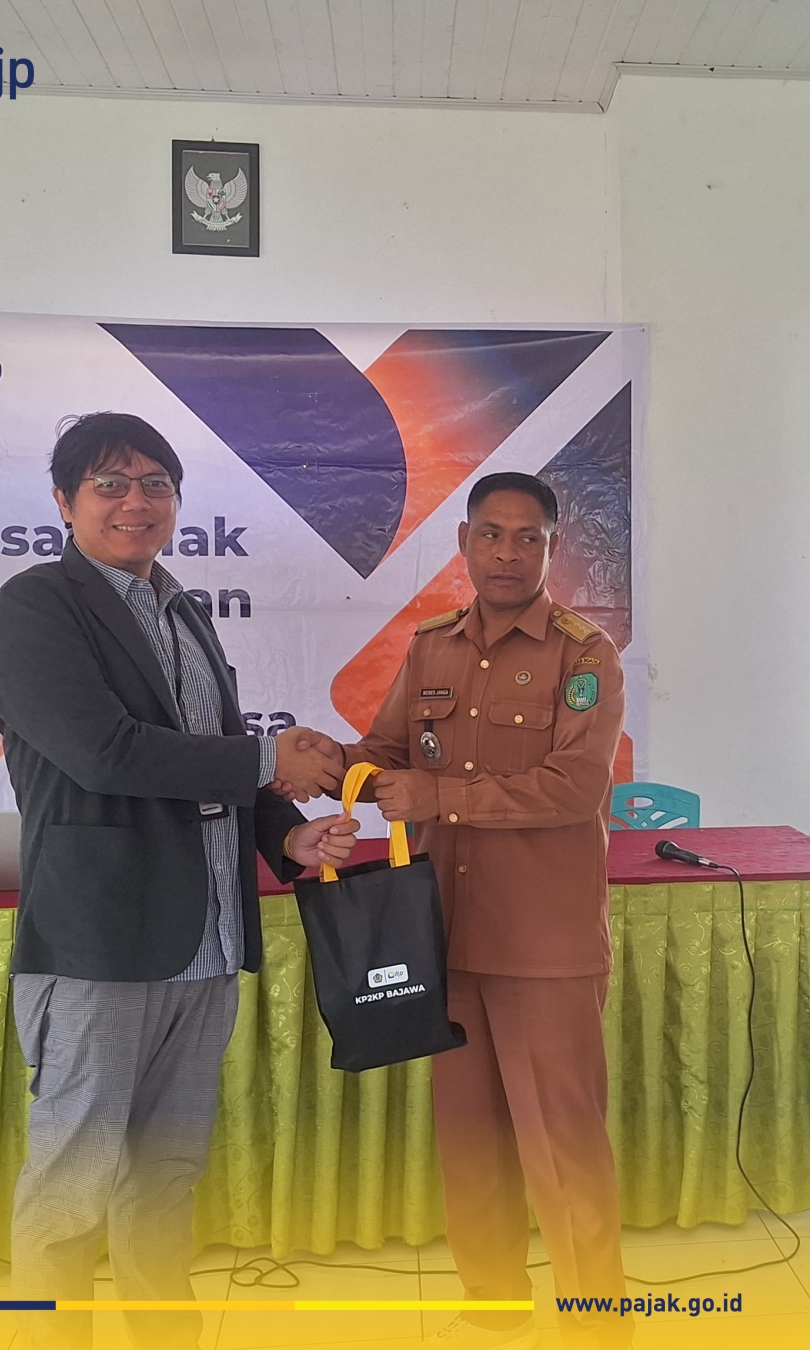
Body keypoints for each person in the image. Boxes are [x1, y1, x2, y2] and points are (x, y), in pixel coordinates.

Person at [0, 412, 356, 1350]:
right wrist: (270, 756)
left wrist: (288, 838)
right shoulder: (36, 607)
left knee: (164, 1178)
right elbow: (105, 753)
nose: (135, 502)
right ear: (64, 502)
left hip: (209, 939)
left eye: (155, 483)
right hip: (103, 940)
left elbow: (215, 760)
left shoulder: (186, 611)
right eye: (109, 484)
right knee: (71, 1184)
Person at [283, 472, 630, 1349]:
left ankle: (598, 1324)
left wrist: (439, 795)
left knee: (564, 1148)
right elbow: (389, 754)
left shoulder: (584, 655)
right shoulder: (432, 646)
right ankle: (493, 1305)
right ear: (465, 542)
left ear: (552, 548)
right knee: (470, 1140)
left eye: (527, 537)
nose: (507, 553)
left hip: (543, 941)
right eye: (491, 534)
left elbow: (573, 785)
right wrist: (329, 764)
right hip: (444, 933)